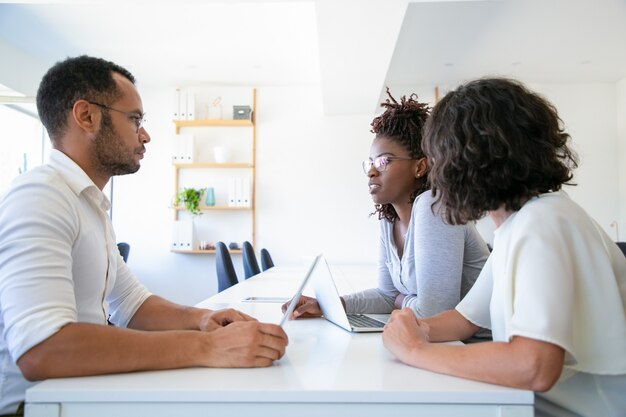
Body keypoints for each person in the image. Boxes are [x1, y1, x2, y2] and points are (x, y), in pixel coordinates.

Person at [0, 56, 288, 415]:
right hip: (35, 407)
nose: (145, 134)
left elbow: (132, 303)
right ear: (86, 116)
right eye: (134, 119)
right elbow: (41, 349)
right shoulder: (41, 196)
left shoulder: (87, 203)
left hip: (76, 395)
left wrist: (201, 320)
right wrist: (207, 348)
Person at [382, 78, 626, 417]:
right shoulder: (520, 222)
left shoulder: (543, 223)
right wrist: (414, 328)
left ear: (470, 159)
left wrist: (414, 350)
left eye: (438, 157)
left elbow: (535, 367)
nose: (435, 171)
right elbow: (465, 319)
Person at [284, 89, 490, 320]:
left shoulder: (435, 206)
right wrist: (332, 304)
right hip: (440, 340)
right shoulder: (389, 219)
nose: (371, 171)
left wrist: (401, 300)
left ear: (420, 167)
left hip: (472, 344)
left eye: (384, 161)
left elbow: (435, 313)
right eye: (370, 162)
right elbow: (386, 295)